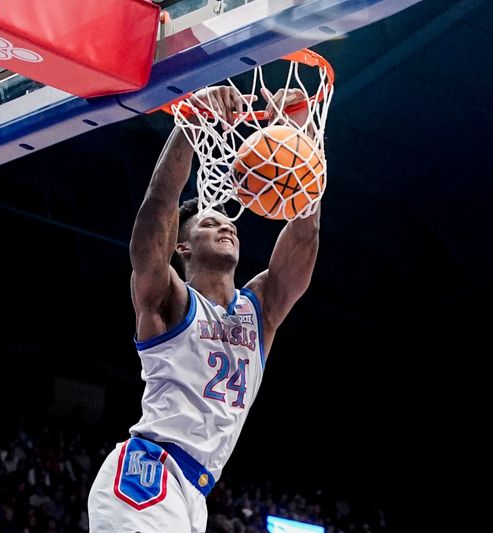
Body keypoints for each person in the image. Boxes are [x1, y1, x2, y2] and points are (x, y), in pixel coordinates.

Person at [88, 85, 322, 532]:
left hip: (195, 491)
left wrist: (298, 142)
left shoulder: (260, 310)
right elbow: (160, 203)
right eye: (210, 223)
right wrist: (192, 121)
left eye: (230, 223)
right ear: (183, 246)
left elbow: (305, 236)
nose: (225, 226)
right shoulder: (169, 299)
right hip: (149, 476)